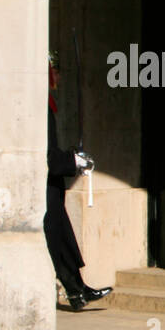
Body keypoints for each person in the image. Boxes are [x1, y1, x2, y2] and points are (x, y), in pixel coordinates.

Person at [44, 57, 111, 311]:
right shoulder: (43, 107)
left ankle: (77, 290)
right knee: (58, 240)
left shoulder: (48, 104)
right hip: (45, 190)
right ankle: (76, 290)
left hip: (51, 190)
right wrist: (73, 161)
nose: (58, 79)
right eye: (55, 73)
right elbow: (47, 157)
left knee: (63, 240)